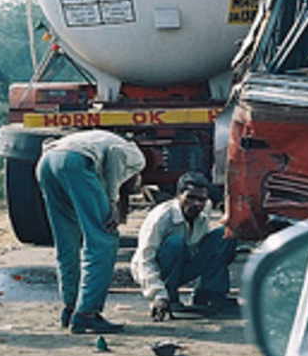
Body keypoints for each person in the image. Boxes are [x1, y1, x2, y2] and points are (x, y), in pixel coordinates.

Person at [36, 130, 145, 334]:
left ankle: (70, 307)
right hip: (75, 161)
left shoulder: (97, 139)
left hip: (46, 162)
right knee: (103, 238)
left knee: (66, 240)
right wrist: (113, 200)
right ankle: (87, 313)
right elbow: (116, 156)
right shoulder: (136, 156)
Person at [131, 171, 239, 319]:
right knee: (175, 243)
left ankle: (209, 295)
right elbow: (145, 260)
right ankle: (169, 298)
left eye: (201, 199)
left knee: (224, 235)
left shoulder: (205, 207)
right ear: (178, 195)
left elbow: (204, 245)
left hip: (185, 261)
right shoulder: (161, 217)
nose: (196, 204)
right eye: (190, 198)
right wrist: (158, 295)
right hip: (160, 267)